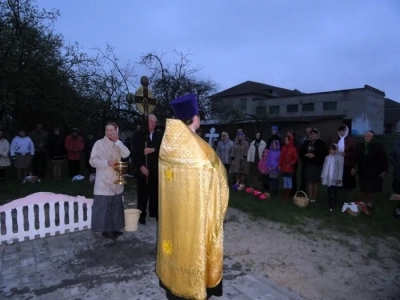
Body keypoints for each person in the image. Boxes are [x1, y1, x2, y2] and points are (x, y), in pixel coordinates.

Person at [157, 94, 229, 300]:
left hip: (173, 216)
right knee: (193, 249)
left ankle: (172, 285)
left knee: (175, 243)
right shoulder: (203, 152)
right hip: (195, 220)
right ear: (195, 118)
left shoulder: (167, 146)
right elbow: (221, 186)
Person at [89, 122, 130, 240]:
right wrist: (106, 162)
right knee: (105, 206)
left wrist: (118, 141)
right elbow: (92, 161)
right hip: (104, 180)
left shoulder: (118, 143)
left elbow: (126, 153)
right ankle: (105, 230)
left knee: (116, 205)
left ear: (116, 131)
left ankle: (114, 228)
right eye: (107, 130)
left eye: (112, 130)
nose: (109, 132)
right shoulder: (99, 144)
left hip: (117, 179)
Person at [131, 114, 162, 224]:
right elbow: (134, 154)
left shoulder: (159, 135)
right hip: (143, 169)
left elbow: (163, 149)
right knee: (142, 193)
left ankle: (154, 212)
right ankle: (142, 213)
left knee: (155, 192)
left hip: (155, 169)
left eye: (155, 122)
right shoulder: (138, 135)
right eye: (151, 121)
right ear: (146, 122)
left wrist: (152, 149)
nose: (153, 124)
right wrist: (140, 166)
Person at [352, 130, 388, 209]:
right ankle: (364, 203)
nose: (367, 137)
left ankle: (370, 203)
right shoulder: (359, 146)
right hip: (363, 171)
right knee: (364, 188)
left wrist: (384, 170)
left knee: (372, 188)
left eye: (369, 136)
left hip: (374, 171)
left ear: (373, 137)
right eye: (365, 136)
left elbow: (384, 159)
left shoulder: (378, 147)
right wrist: (353, 167)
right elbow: (355, 158)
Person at [300, 129, 327, 202]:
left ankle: (314, 197)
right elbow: (301, 152)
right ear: (309, 135)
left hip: (317, 165)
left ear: (317, 135)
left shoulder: (321, 143)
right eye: (311, 134)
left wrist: (314, 156)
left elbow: (324, 154)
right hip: (308, 164)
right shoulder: (306, 143)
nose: (313, 135)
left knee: (316, 181)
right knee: (309, 181)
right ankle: (309, 196)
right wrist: (306, 154)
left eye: (315, 134)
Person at [336, 124, 356, 204]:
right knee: (338, 182)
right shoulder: (337, 140)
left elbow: (355, 153)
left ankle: (344, 199)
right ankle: (338, 198)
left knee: (347, 183)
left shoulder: (351, 141)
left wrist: (346, 154)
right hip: (338, 164)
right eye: (340, 131)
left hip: (347, 165)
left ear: (346, 131)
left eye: (343, 130)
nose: (341, 132)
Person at [321, 144, 344, 211]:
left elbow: (340, 168)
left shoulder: (340, 158)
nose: (331, 151)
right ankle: (330, 203)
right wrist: (322, 176)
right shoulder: (327, 157)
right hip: (328, 177)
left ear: (336, 150)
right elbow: (324, 167)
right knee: (329, 191)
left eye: (333, 150)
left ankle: (333, 203)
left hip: (335, 177)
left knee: (334, 191)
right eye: (330, 150)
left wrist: (339, 178)